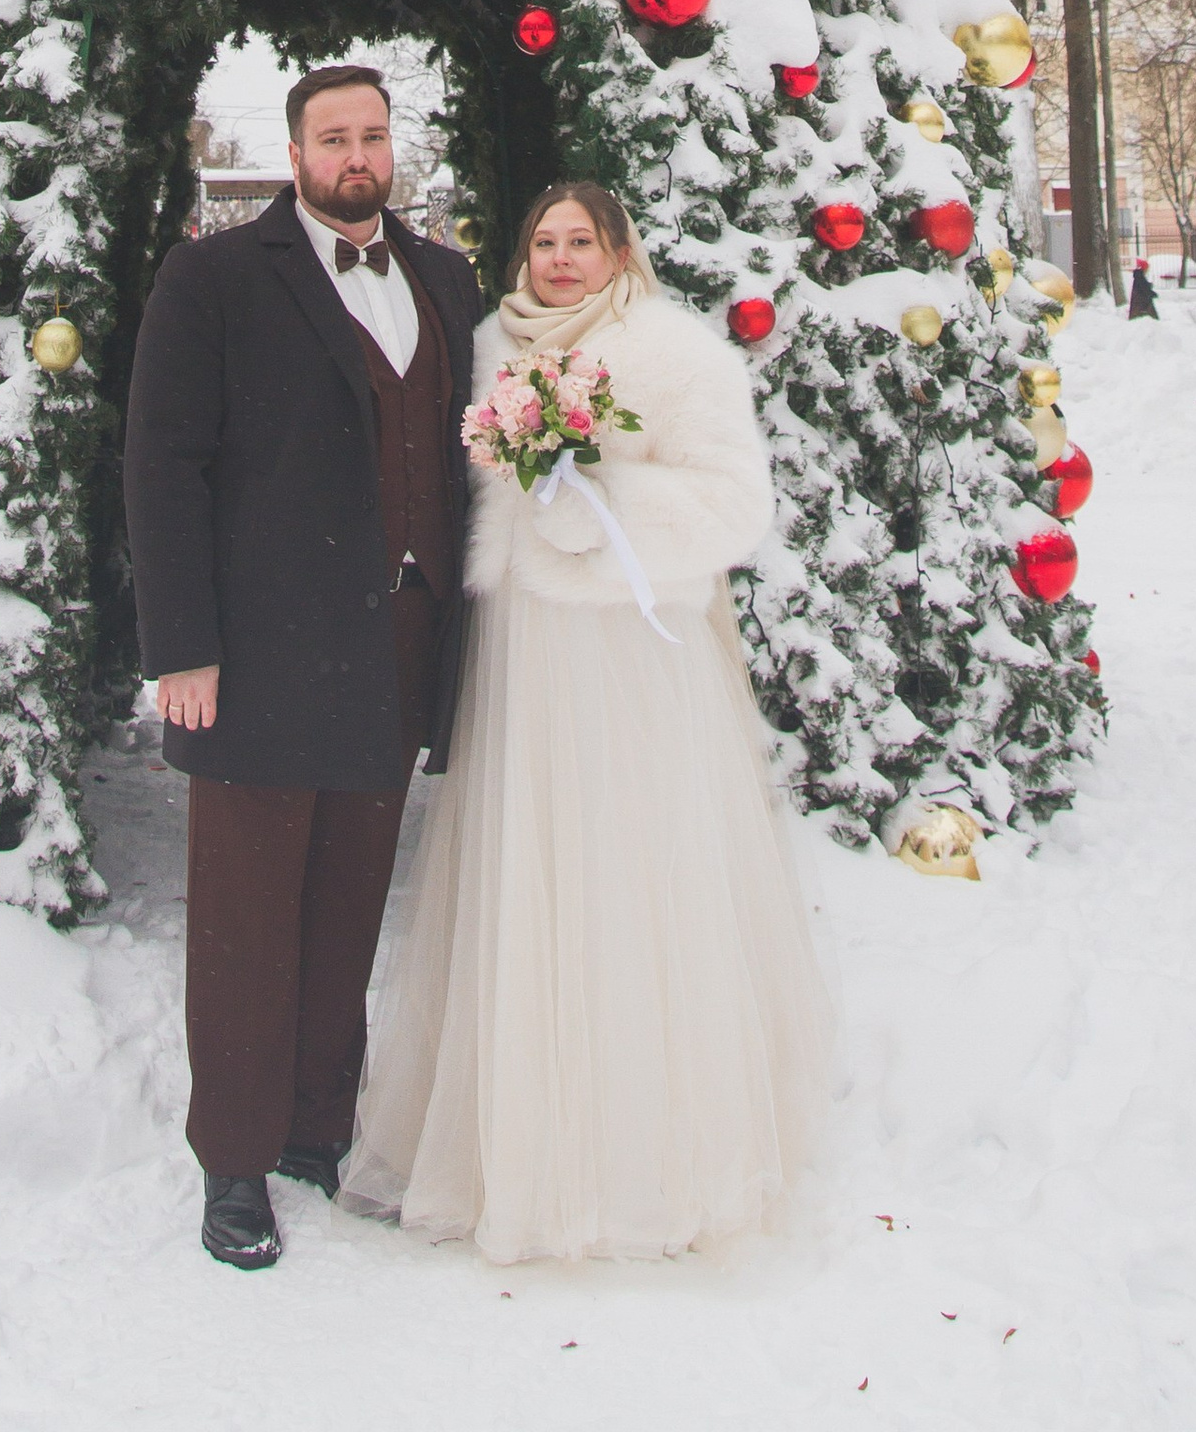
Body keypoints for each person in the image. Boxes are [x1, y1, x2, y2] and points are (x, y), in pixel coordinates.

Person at [343, 179, 834, 1262]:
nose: (559, 259)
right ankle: (516, 1146)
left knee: (631, 876)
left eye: (581, 242)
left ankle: (644, 1157)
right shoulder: (485, 349)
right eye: (544, 239)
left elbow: (731, 501)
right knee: (532, 867)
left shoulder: (670, 350)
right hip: (523, 646)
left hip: (627, 647)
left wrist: (600, 505)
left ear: (619, 254)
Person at [123, 63, 484, 1271]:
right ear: (294, 153)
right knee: (243, 914)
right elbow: (160, 464)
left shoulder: (443, 278)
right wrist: (183, 645)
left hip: (397, 643)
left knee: (345, 905)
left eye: (373, 136)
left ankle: (317, 1130)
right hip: (260, 654)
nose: (356, 157)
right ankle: (232, 1157)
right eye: (333, 138)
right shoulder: (215, 277)